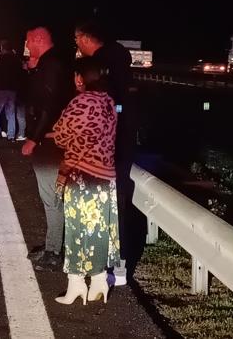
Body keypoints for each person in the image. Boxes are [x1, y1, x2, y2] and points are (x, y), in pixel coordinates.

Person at [74, 19, 144, 284]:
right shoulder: (120, 61)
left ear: (85, 38)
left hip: (105, 149)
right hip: (123, 143)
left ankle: (107, 267)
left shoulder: (100, 71)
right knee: (118, 204)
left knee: (103, 206)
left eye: (77, 40)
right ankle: (119, 266)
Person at [50, 56, 120, 305]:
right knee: (98, 229)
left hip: (82, 174)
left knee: (77, 230)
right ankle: (99, 282)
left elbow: (60, 135)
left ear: (80, 78)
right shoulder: (108, 102)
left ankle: (77, 284)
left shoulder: (82, 102)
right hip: (105, 176)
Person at [21, 27, 76, 271]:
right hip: (50, 138)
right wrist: (33, 70)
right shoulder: (48, 63)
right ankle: (52, 245)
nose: (26, 46)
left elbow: (49, 105)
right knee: (52, 197)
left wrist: (34, 138)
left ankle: (54, 252)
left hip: (51, 141)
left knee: (52, 198)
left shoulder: (52, 64)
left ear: (39, 40)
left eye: (28, 41)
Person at [0, 40, 22, 142]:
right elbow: (19, 74)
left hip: (0, 88)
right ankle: (11, 135)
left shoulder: (1, 58)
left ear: (2, 48)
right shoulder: (16, 59)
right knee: (11, 114)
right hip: (12, 89)